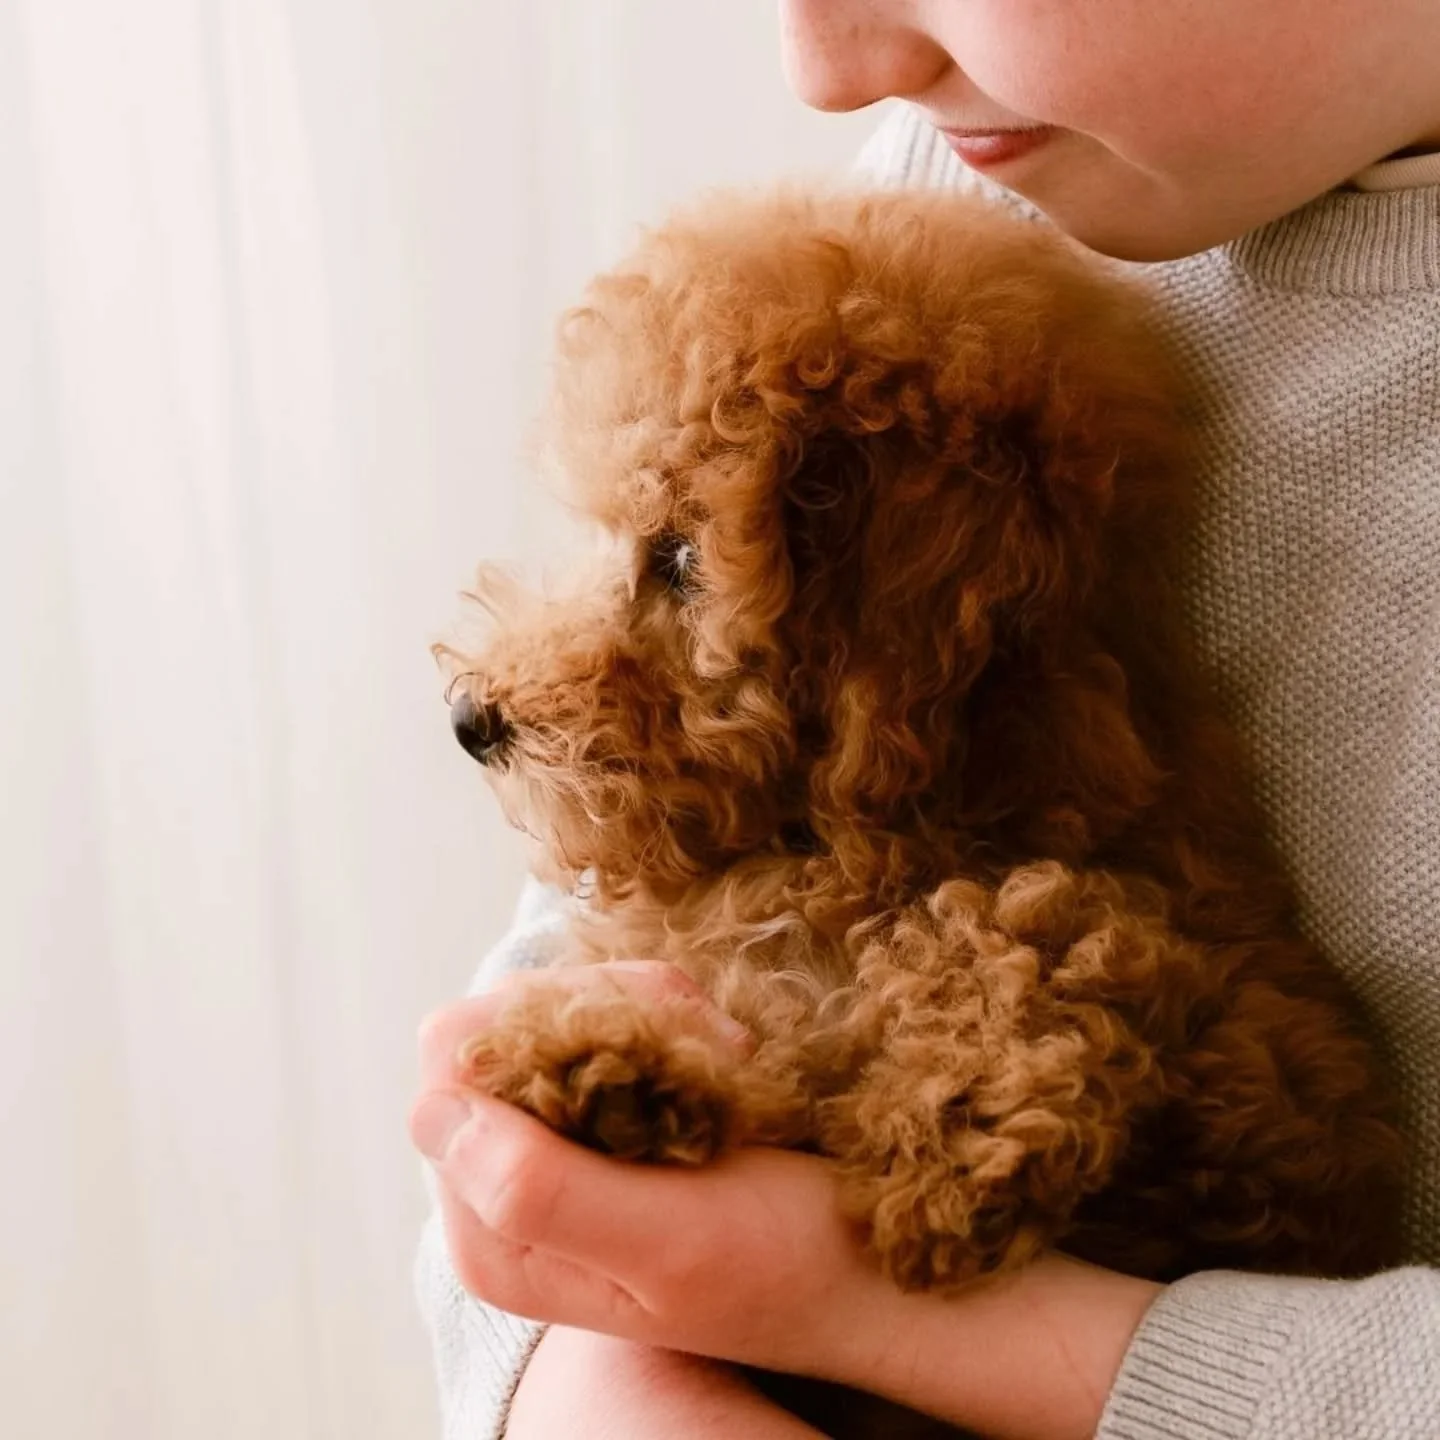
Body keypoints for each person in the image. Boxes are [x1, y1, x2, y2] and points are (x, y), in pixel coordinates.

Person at [411, 2, 1440, 1435]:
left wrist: (876, 1314)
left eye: (682, 569)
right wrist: (588, 1375)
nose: (829, 68)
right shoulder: (980, 170)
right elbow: (585, 985)